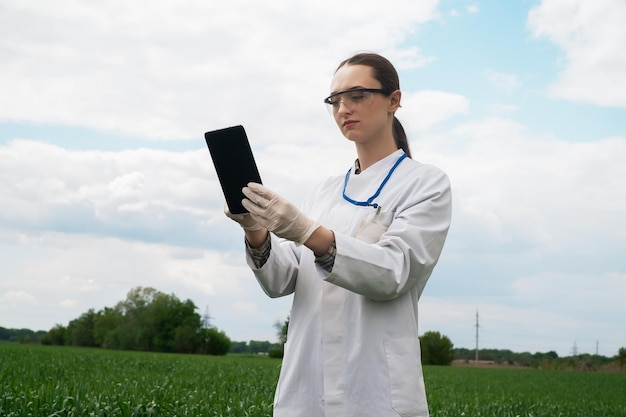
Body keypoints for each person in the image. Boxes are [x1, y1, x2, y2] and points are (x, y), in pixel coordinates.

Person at [226, 52, 452, 417]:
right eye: (335, 100)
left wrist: (306, 230)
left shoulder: (426, 183)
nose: (344, 108)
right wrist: (255, 230)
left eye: (358, 95)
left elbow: (393, 272)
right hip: (306, 390)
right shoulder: (324, 191)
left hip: (376, 393)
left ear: (394, 100)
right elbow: (281, 280)